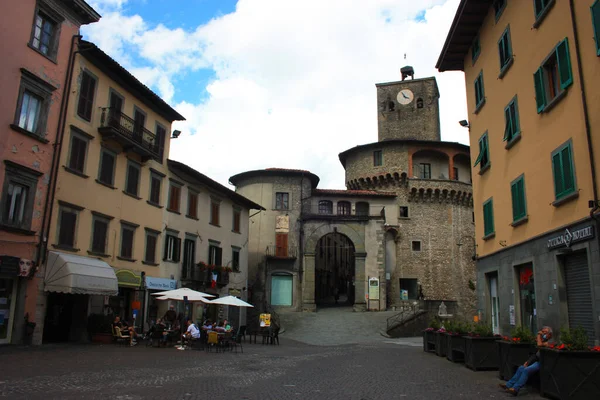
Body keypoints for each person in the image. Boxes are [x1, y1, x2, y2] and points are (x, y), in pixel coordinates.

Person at [499, 326, 554, 396]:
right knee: (521, 368)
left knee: (526, 370)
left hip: (544, 362)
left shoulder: (550, 342)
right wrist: (528, 361)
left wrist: (538, 335)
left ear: (550, 334)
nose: (543, 334)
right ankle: (509, 385)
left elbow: (539, 345)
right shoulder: (544, 341)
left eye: (544, 333)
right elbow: (535, 354)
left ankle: (515, 389)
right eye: (542, 332)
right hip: (537, 361)